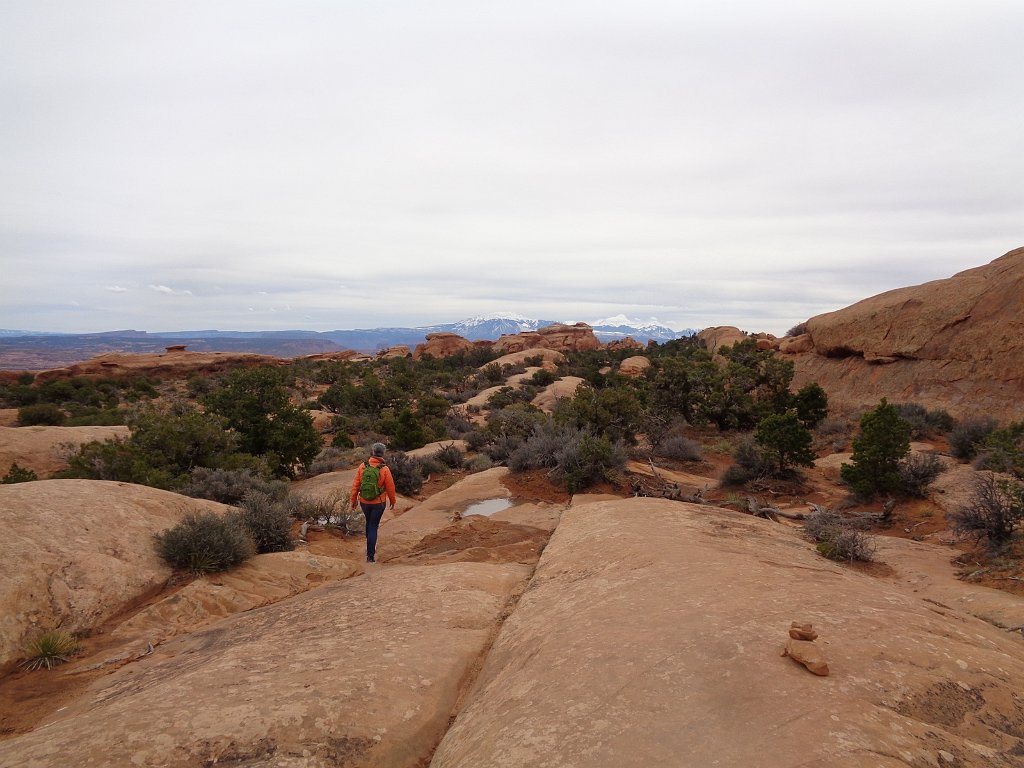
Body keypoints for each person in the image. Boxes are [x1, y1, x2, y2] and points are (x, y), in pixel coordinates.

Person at [350, 443, 396, 563]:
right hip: (378, 503)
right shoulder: (384, 469)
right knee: (373, 526)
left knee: (369, 522)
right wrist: (392, 500)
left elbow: (356, 485)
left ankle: (369, 544)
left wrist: (353, 500)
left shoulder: (362, 466)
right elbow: (390, 487)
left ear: (373, 452)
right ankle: (370, 555)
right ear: (383, 453)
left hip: (364, 501)